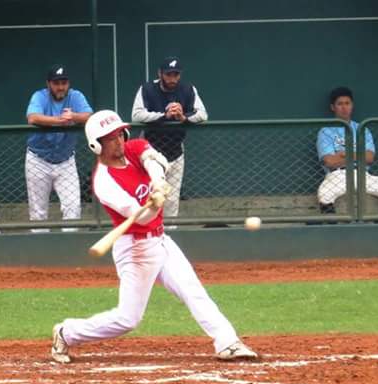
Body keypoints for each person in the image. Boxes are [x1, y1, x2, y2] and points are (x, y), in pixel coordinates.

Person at [50, 110, 257, 364]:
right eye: (110, 138)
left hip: (161, 240)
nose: (118, 141)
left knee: (193, 291)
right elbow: (142, 218)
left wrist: (158, 182)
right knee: (128, 319)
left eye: (119, 134)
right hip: (135, 249)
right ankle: (66, 332)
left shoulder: (134, 147)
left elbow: (155, 159)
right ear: (96, 144)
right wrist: (155, 205)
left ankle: (228, 342)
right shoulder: (104, 182)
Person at [131, 56, 208, 216]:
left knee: (172, 200)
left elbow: (203, 114)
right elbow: (136, 115)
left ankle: (169, 235)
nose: (173, 78)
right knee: (150, 197)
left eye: (176, 74)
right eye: (169, 74)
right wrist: (164, 116)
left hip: (176, 152)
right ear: (160, 73)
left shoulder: (188, 89)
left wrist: (183, 118)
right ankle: (147, 233)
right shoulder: (147, 89)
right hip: (151, 152)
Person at [25, 64, 93, 229]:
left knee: (73, 208)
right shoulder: (40, 96)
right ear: (49, 84)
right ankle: (40, 252)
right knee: (38, 213)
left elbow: (90, 116)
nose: (61, 87)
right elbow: (32, 118)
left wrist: (74, 116)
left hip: (66, 161)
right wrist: (59, 120)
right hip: (38, 160)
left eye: (64, 83)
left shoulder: (75, 96)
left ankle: (68, 249)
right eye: (56, 83)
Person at [317, 87, 378, 213]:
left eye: (347, 103)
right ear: (332, 107)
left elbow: (369, 157)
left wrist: (343, 154)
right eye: (340, 104)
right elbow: (330, 161)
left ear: (352, 105)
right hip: (338, 176)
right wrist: (357, 155)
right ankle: (333, 226)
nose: (344, 107)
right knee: (324, 195)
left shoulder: (362, 128)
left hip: (362, 174)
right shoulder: (326, 131)